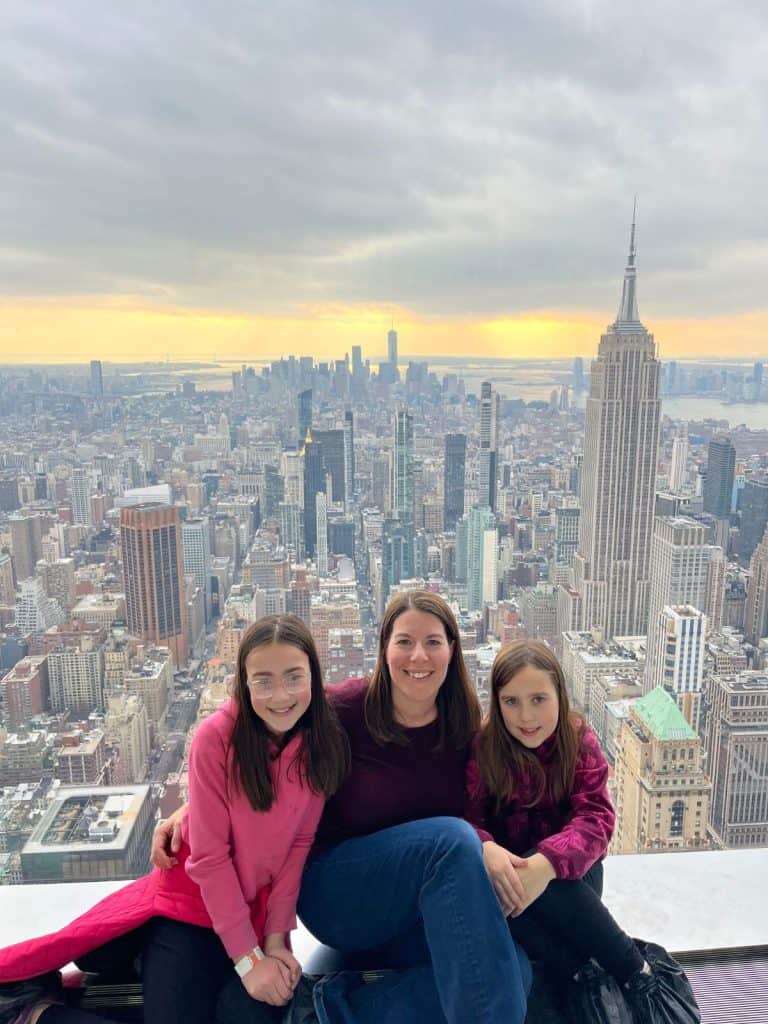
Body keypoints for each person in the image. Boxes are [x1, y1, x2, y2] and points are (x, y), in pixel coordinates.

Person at [155, 591, 530, 1024]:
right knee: (450, 842)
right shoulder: (342, 710)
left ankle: (331, 1010)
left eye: (433, 642)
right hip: (335, 893)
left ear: (452, 651)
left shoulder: (464, 726)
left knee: (511, 969)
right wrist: (192, 809)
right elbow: (262, 727)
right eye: (404, 641)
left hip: (411, 907)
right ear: (384, 649)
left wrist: (486, 842)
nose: (418, 656)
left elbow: (479, 809)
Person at [0, 614, 349, 1024]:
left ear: (314, 674)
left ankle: (133, 957)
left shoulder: (322, 742)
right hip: (190, 903)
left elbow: (297, 849)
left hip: (254, 913)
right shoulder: (215, 740)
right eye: (263, 680)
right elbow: (210, 861)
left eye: (294, 677)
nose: (280, 695)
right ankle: (38, 1014)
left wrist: (274, 944)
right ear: (244, 681)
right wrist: (249, 961)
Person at [467, 639, 701, 1022]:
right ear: (497, 702)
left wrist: (547, 864)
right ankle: (585, 972)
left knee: (537, 882)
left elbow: (596, 818)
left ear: (559, 694)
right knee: (495, 895)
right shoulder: (484, 748)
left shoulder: (577, 740)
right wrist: (487, 847)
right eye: (511, 701)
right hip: (511, 888)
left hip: (572, 880)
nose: (526, 716)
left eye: (539, 699)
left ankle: (634, 974)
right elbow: (465, 819)